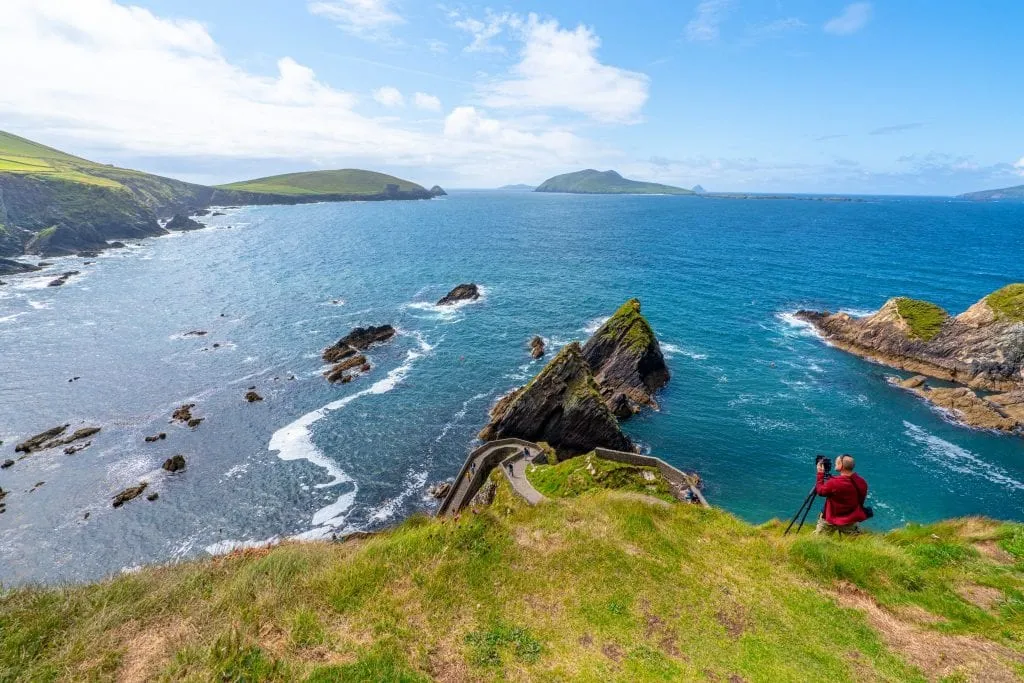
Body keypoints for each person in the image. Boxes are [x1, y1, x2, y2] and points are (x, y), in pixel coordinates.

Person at [814, 454, 869, 535]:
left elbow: (821, 491)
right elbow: (861, 499)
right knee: (857, 542)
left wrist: (820, 474)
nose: (834, 464)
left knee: (818, 540)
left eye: (837, 462)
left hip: (830, 518)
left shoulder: (834, 482)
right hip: (850, 519)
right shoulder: (862, 482)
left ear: (841, 465)